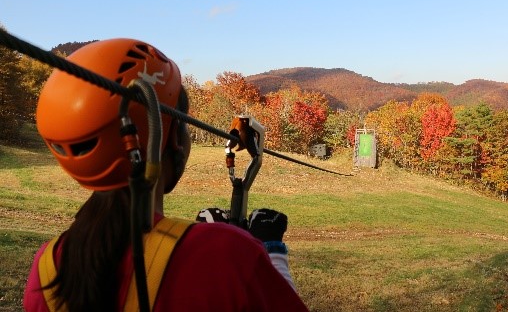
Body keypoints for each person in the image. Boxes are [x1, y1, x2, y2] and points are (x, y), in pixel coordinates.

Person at [23, 38, 308, 312]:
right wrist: (271, 249)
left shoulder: (46, 267)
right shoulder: (228, 254)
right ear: (169, 137)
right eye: (182, 124)